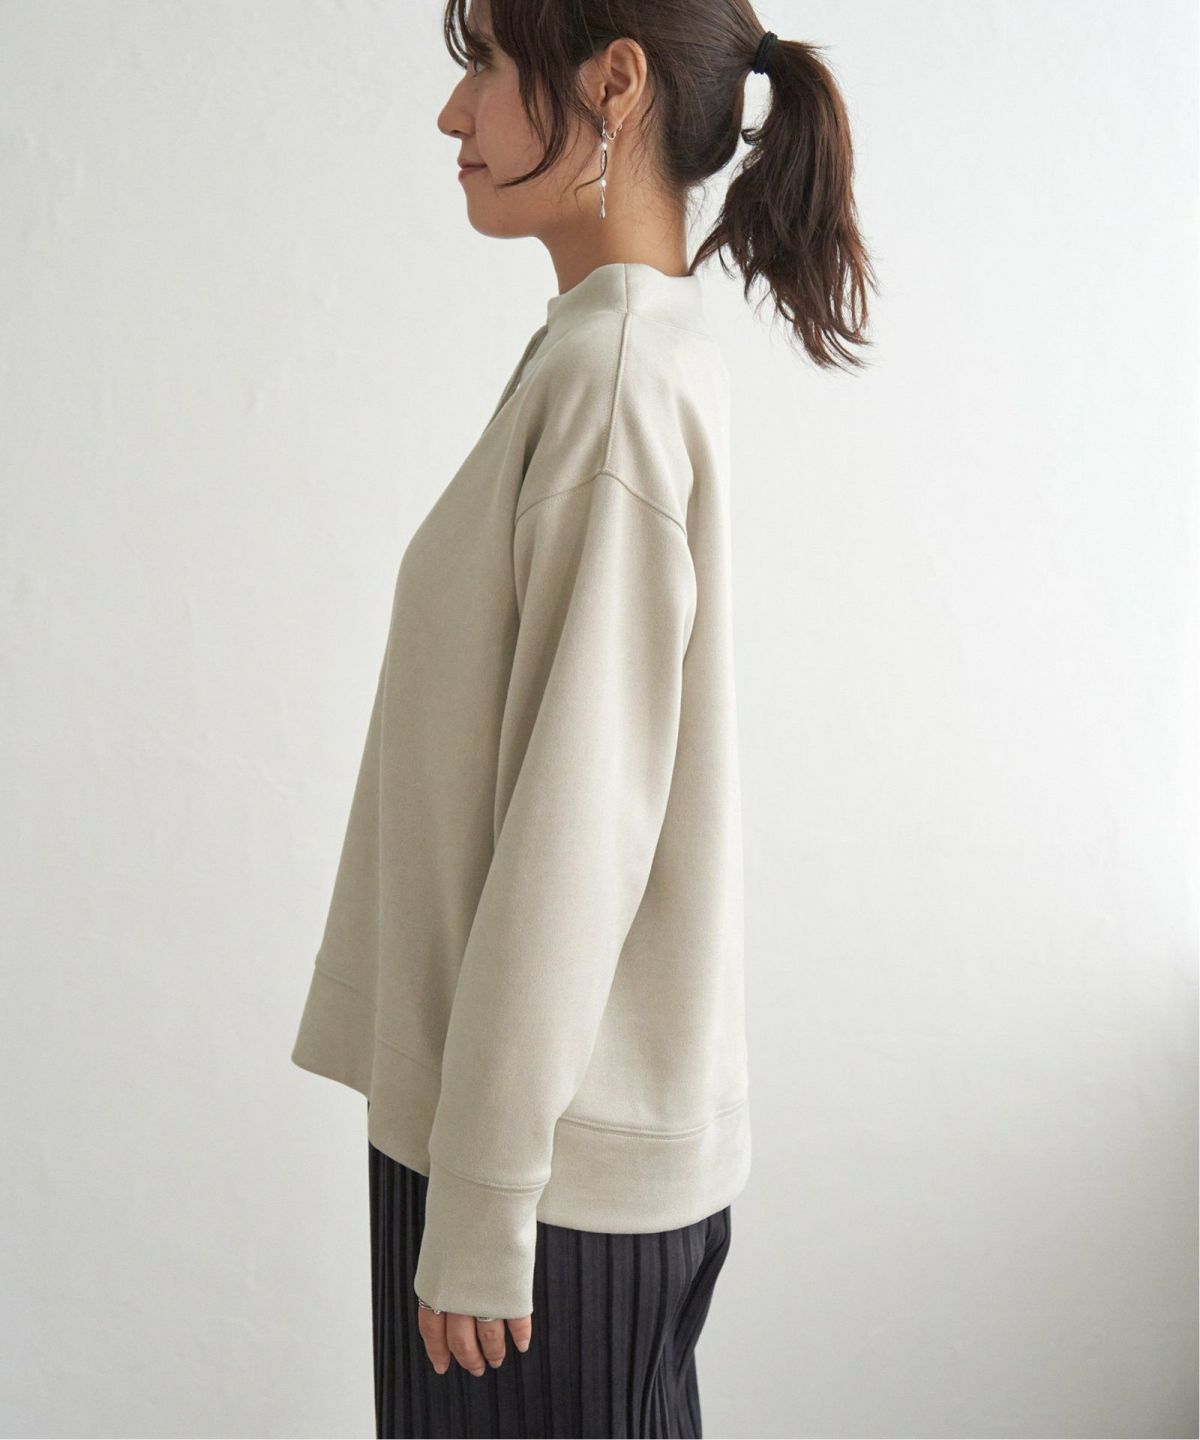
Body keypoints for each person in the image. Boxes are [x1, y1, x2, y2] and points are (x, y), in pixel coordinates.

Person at [291, 2, 875, 1435]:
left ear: (615, 85)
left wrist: (485, 1193)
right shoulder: (609, 353)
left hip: (541, 1186)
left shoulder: (613, 377)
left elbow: (577, 825)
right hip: (532, 1155)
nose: (455, 114)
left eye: (488, 65)